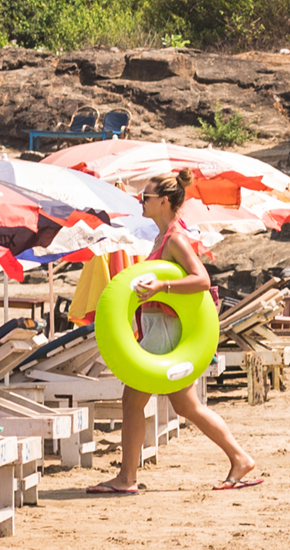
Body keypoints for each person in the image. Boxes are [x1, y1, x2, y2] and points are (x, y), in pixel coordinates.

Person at [88, 169, 261, 493]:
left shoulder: (175, 238)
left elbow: (202, 280)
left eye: (147, 197)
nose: (142, 201)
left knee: (133, 400)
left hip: (166, 329)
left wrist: (162, 287)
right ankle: (240, 458)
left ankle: (127, 478)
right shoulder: (162, 237)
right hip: (160, 325)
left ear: (164, 201)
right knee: (186, 406)